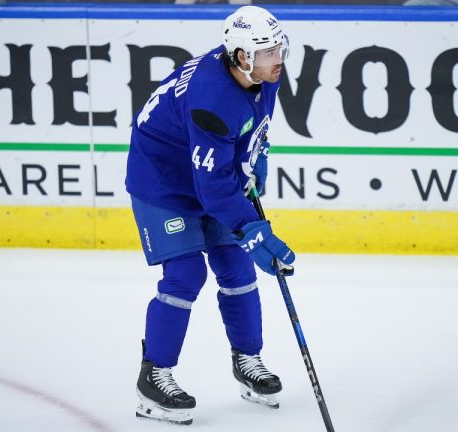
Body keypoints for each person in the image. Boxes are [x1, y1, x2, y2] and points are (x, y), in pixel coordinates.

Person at [124, 5, 295, 426]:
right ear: (240, 56)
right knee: (185, 275)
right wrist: (252, 229)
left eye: (280, 48)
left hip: (206, 170)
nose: (279, 60)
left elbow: (252, 127)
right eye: (268, 52)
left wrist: (255, 161)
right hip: (162, 180)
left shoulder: (262, 73)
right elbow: (213, 187)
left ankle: (247, 361)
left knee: (237, 269)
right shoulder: (211, 99)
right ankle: (154, 377)